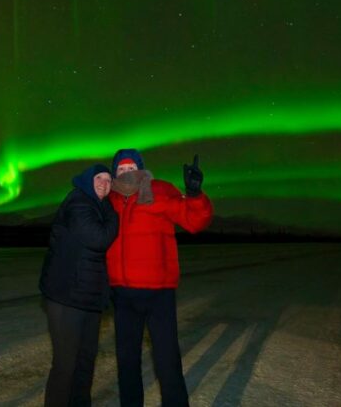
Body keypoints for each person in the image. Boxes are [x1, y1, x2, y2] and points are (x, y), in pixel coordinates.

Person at [106, 149, 213, 407]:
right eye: (121, 169)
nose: (126, 173)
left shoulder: (160, 190)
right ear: (114, 173)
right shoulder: (109, 200)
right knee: (127, 362)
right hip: (122, 294)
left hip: (158, 293)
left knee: (166, 360)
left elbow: (194, 221)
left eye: (131, 168)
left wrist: (195, 195)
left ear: (141, 169)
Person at [39, 164, 120, 406]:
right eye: (99, 178)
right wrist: (115, 215)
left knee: (85, 361)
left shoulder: (99, 205)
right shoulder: (79, 202)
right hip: (66, 297)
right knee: (66, 364)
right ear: (87, 180)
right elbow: (98, 238)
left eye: (108, 180)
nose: (104, 183)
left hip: (88, 297)